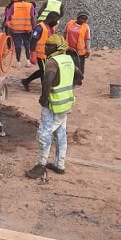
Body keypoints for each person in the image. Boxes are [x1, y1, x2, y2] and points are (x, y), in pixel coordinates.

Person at [26, 35, 83, 178]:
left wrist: (43, 98)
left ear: (56, 47)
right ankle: (59, 164)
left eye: (48, 45)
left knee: (44, 134)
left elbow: (47, 82)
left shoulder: (52, 62)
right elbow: (79, 75)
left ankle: (41, 166)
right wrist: (71, 85)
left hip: (53, 105)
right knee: (60, 133)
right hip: (66, 103)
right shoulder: (67, 59)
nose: (45, 48)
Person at [22, 12, 60, 91]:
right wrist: (33, 55)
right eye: (56, 21)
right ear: (51, 19)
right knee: (45, 71)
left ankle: (26, 81)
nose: (57, 23)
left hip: (48, 54)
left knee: (43, 70)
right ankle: (45, 89)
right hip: (41, 54)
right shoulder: (39, 28)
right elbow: (33, 41)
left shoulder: (51, 27)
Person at [5, 0, 36, 66]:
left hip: (16, 29)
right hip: (27, 29)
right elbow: (32, 18)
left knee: (18, 45)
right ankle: (28, 61)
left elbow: (9, 17)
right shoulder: (30, 5)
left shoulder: (14, 6)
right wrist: (34, 27)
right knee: (27, 44)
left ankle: (18, 62)